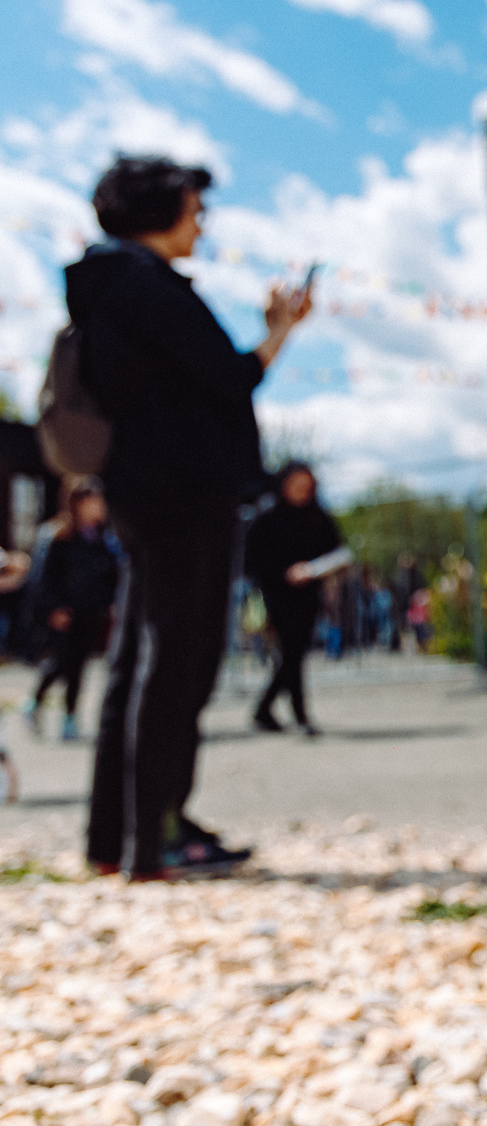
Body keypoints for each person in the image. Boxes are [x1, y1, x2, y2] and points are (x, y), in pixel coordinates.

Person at [70, 155, 311, 881]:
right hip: (183, 493)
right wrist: (279, 330)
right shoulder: (149, 286)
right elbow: (231, 377)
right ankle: (158, 835)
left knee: (134, 663)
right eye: (193, 207)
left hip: (140, 490)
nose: (202, 223)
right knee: (178, 658)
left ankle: (114, 839)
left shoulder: (103, 283)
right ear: (162, 208)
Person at [243, 462, 345, 737]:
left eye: (307, 486)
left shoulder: (318, 517)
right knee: (291, 652)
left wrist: (314, 570)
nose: (302, 492)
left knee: (293, 654)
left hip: (309, 594)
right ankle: (300, 716)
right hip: (277, 593)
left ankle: (263, 709)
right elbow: (251, 561)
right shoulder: (267, 518)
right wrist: (284, 572)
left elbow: (336, 551)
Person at [26, 478, 119, 743]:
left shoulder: (102, 538)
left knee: (80, 665)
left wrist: (110, 603)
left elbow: (111, 576)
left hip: (90, 612)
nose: (100, 506)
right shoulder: (57, 535)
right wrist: (52, 608)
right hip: (64, 613)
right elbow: (42, 577)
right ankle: (33, 704)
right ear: (79, 502)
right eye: (95, 500)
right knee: (60, 663)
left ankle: (69, 718)